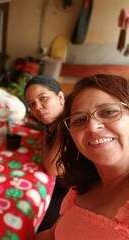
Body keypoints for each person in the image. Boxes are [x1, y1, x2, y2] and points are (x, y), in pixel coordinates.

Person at [37, 74, 129, 240]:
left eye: (108, 112)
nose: (93, 127)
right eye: (80, 120)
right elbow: (53, 234)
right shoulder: (81, 186)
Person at [24, 75, 67, 232]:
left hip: (73, 191)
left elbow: (52, 167)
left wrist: (46, 143)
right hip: (60, 184)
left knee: (30, 217)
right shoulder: (53, 123)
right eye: (32, 104)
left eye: (43, 98)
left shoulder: (68, 123)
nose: (38, 107)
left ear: (60, 97)